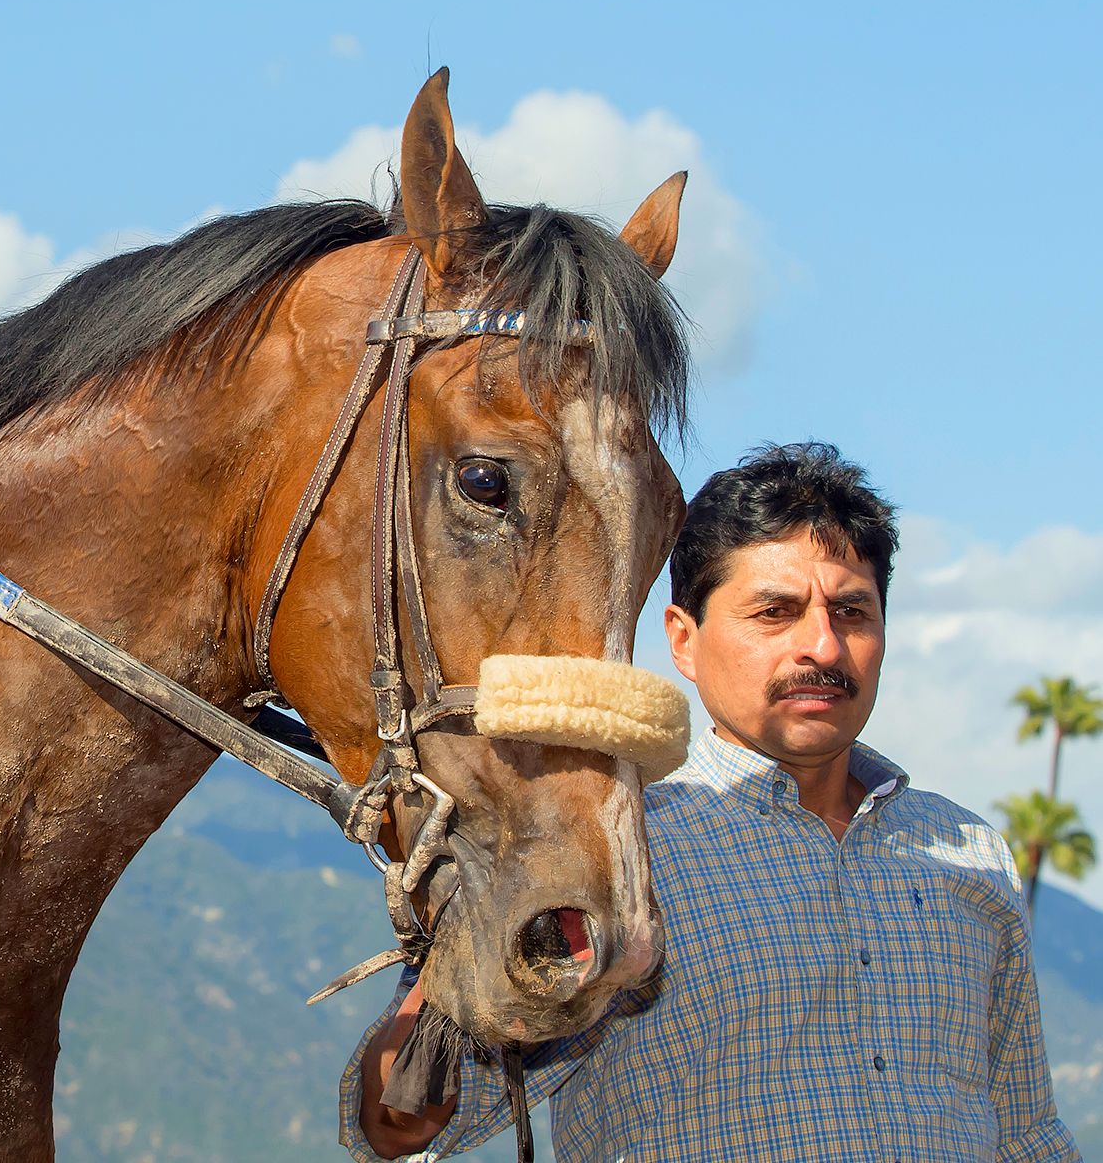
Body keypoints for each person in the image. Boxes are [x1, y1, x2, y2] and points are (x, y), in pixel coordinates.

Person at [346, 442, 1076, 1163]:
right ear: (683, 641)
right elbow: (398, 1123)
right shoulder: (612, 849)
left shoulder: (966, 848)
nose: (822, 646)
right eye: (775, 612)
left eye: (852, 611)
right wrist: (461, 929)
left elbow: (1028, 1134)